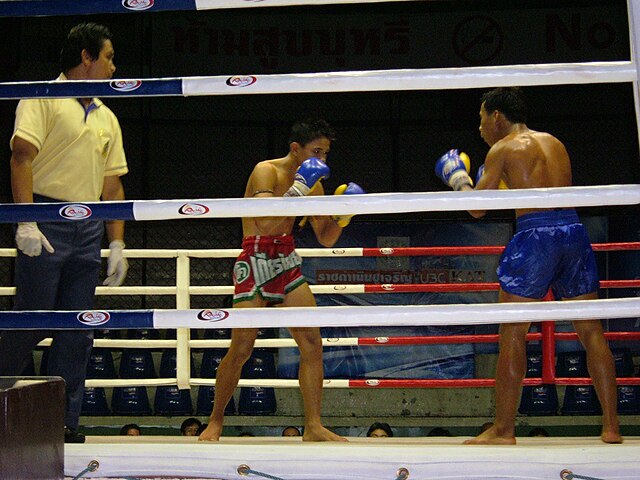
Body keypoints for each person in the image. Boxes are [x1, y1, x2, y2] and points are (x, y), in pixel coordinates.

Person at [436, 87, 622, 445]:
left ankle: (504, 430)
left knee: (513, 333)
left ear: (496, 117)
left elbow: (478, 209)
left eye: (480, 119)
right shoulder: (555, 143)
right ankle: (611, 426)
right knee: (592, 331)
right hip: (573, 231)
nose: (479, 129)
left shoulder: (502, 148)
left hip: (536, 237)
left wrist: (459, 182)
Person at [0, 23, 129, 444]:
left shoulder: (108, 115)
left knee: (78, 329)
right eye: (108, 57)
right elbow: (22, 156)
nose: (114, 66)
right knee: (30, 320)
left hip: (90, 225)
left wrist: (116, 241)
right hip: (45, 215)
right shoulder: (41, 96)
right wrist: (26, 219)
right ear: (87, 58)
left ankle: (62, 421)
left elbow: (113, 184)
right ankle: (2, 402)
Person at [199, 119, 362, 443]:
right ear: (295, 149)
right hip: (255, 258)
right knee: (242, 347)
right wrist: (298, 189)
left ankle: (313, 426)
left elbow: (326, 238)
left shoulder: (314, 182)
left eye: (326, 153)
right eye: (316, 151)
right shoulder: (266, 172)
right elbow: (266, 223)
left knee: (312, 343)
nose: (322, 160)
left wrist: (344, 215)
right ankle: (215, 420)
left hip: (286, 260)